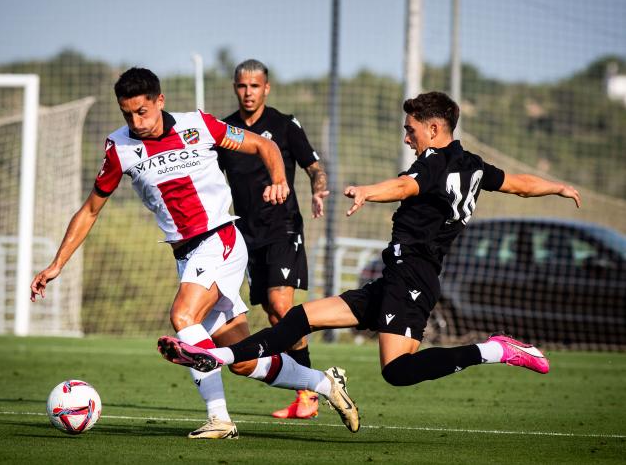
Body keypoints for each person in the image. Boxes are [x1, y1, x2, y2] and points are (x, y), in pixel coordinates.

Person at [158, 92, 582, 422]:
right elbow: (519, 183)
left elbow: (404, 187)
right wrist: (558, 186)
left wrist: (366, 192)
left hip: (413, 277)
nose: (406, 137)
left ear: (434, 129)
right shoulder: (471, 164)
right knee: (301, 319)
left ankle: (494, 350)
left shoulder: (433, 164)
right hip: (396, 276)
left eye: (410, 129)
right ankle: (220, 356)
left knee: (397, 370)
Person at [30, 67, 358, 439]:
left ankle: (220, 419)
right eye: (127, 114)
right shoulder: (119, 148)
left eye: (143, 112)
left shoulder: (197, 125)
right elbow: (90, 209)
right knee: (244, 361)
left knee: (183, 315)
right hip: (187, 256)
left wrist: (280, 180)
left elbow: (263, 145)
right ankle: (324, 384)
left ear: (160, 101)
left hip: (220, 239)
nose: (136, 122)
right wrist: (58, 264)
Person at [216, 59, 329, 419]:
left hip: (283, 227)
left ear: (267, 88)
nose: (248, 93)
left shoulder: (284, 125)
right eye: (241, 86)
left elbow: (314, 166)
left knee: (282, 306)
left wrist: (318, 191)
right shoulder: (226, 130)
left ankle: (309, 394)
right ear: (235, 88)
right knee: (273, 313)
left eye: (255, 86)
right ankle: (306, 387)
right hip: (246, 236)